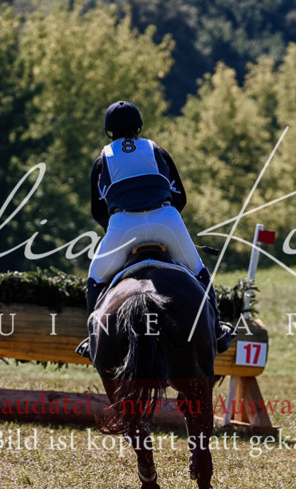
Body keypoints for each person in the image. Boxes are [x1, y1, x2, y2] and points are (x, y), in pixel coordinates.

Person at [79, 101, 234, 357]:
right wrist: (162, 221)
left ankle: (94, 340)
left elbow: (98, 211)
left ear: (109, 131)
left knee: (96, 278)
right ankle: (216, 330)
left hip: (123, 227)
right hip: (166, 220)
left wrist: (120, 227)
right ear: (139, 125)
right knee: (198, 271)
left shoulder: (102, 160)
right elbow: (180, 197)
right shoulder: (156, 151)